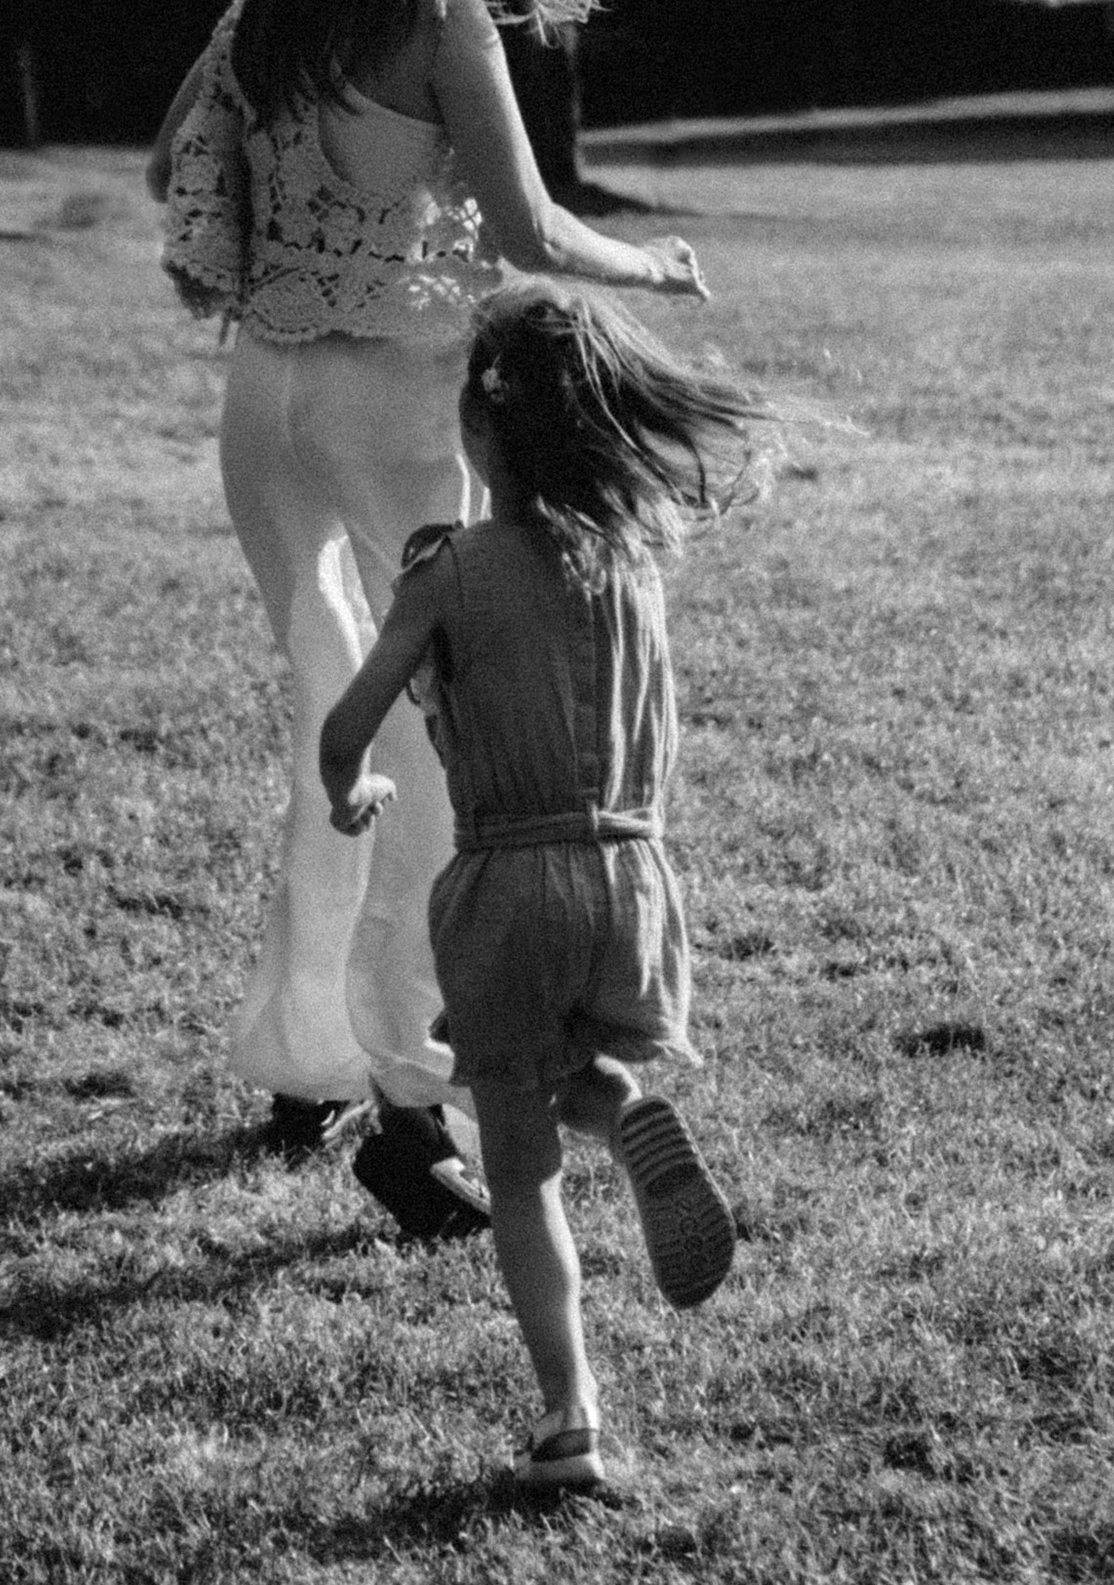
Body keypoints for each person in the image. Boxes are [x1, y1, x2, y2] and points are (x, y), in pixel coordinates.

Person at [145, 0, 706, 1244]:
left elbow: (170, 160)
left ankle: (303, 1059)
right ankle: (408, 1107)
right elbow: (529, 231)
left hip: (266, 397)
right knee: (434, 762)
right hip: (394, 402)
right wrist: (651, 264)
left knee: (333, 722)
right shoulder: (441, 10)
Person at [318, 283, 774, 1496]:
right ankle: (622, 1115)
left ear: (479, 430)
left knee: (517, 1173)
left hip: (505, 883)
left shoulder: (448, 573)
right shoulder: (633, 563)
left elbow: (351, 722)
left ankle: (571, 1416)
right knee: (571, 1074)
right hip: (632, 877)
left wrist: (348, 790)